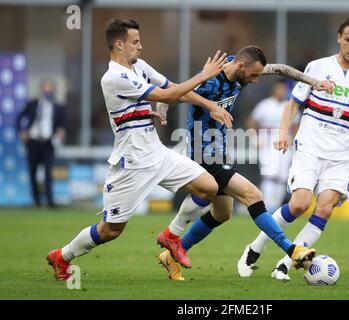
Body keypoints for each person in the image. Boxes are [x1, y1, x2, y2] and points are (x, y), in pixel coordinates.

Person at [46, 18, 234, 281]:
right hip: (131, 164)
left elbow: (172, 89)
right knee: (110, 230)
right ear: (119, 44)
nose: (140, 46)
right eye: (135, 42)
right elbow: (168, 96)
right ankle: (62, 256)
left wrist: (210, 105)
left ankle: (171, 236)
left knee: (208, 187)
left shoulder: (140, 67)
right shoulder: (114, 77)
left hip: (157, 153)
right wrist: (204, 76)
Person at [156, 45, 334, 280]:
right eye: (253, 75)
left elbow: (280, 68)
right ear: (241, 67)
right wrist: (163, 108)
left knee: (222, 213)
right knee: (253, 195)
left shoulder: (239, 68)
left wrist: (312, 81)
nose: (255, 80)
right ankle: (292, 250)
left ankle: (172, 255)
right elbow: (175, 91)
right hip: (204, 153)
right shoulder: (211, 79)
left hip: (219, 151)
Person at [237, 16, 349, 281]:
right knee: (299, 204)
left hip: (340, 156)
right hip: (310, 148)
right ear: (339, 38)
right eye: (347, 40)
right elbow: (293, 104)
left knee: (325, 208)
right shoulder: (317, 67)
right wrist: (283, 132)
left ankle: (285, 263)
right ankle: (255, 248)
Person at [246, 79, 297, 213]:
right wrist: (254, 138)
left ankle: (275, 208)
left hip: (286, 141)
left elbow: (297, 125)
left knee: (282, 176)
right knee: (269, 174)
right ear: (274, 90)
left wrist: (294, 141)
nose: (280, 91)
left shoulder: (289, 105)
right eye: (278, 89)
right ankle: (267, 207)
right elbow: (251, 122)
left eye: (283, 89)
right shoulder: (265, 105)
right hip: (268, 142)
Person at [16, 80, 66, 208]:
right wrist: (22, 131)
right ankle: (36, 201)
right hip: (33, 142)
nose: (48, 91)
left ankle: (50, 201)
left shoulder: (57, 107)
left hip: (48, 142)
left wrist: (61, 131)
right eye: (46, 88)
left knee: (48, 172)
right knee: (32, 172)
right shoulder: (33, 104)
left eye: (50, 89)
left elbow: (61, 124)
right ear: (41, 89)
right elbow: (20, 118)